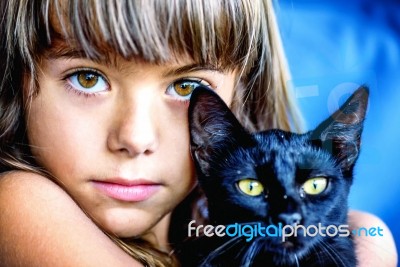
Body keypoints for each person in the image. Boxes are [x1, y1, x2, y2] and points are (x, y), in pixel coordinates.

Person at [0, 0, 396, 266]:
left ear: (241, 95)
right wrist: (373, 246)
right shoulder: (17, 204)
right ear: (17, 80)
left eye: (187, 88)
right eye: (87, 78)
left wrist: (369, 231)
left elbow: (364, 225)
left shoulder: (213, 234)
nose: (135, 138)